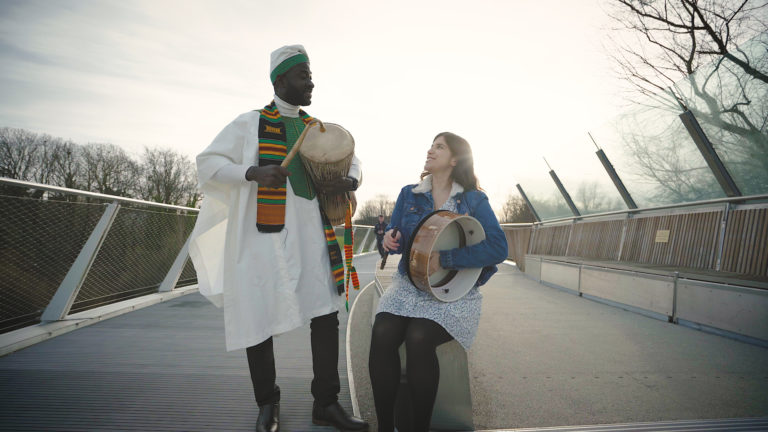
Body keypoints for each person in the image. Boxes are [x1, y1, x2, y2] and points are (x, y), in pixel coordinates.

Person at [188, 44, 368, 432]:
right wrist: (252, 173)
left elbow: (352, 158)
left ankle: (327, 403)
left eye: (311, 74)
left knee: (325, 316)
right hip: (261, 239)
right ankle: (267, 404)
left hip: (312, 236)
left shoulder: (317, 128)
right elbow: (209, 163)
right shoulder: (247, 123)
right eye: (304, 75)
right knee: (258, 317)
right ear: (280, 80)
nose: (311, 82)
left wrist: (351, 180)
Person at [368, 132, 508, 432]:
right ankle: (384, 428)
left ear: (455, 159)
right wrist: (390, 239)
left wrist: (446, 260)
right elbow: (393, 236)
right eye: (431, 145)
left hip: (454, 292)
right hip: (409, 286)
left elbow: (499, 248)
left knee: (419, 337)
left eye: (439, 146)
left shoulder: (474, 199)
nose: (430, 150)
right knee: (382, 331)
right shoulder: (409, 194)